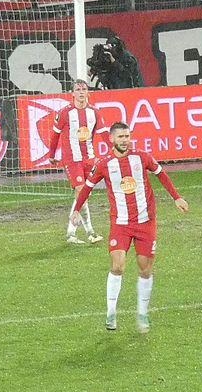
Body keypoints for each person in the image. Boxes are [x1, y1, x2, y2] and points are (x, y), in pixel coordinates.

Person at [71, 122, 189, 333]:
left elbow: (161, 174)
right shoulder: (104, 164)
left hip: (145, 222)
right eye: (121, 137)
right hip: (121, 223)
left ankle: (142, 313)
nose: (125, 140)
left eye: (127, 136)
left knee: (145, 268)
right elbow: (87, 188)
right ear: (111, 139)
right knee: (118, 266)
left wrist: (177, 197)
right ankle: (111, 313)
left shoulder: (142, 157)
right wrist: (76, 210)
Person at [47, 79, 107, 245]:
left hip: (89, 158)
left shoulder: (94, 112)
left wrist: (115, 152)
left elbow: (104, 135)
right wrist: (51, 154)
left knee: (84, 195)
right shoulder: (65, 112)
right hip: (72, 159)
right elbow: (55, 135)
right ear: (72, 94)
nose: (81, 92)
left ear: (88, 92)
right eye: (78, 89)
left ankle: (73, 233)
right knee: (81, 192)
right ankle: (89, 232)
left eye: (84, 89)